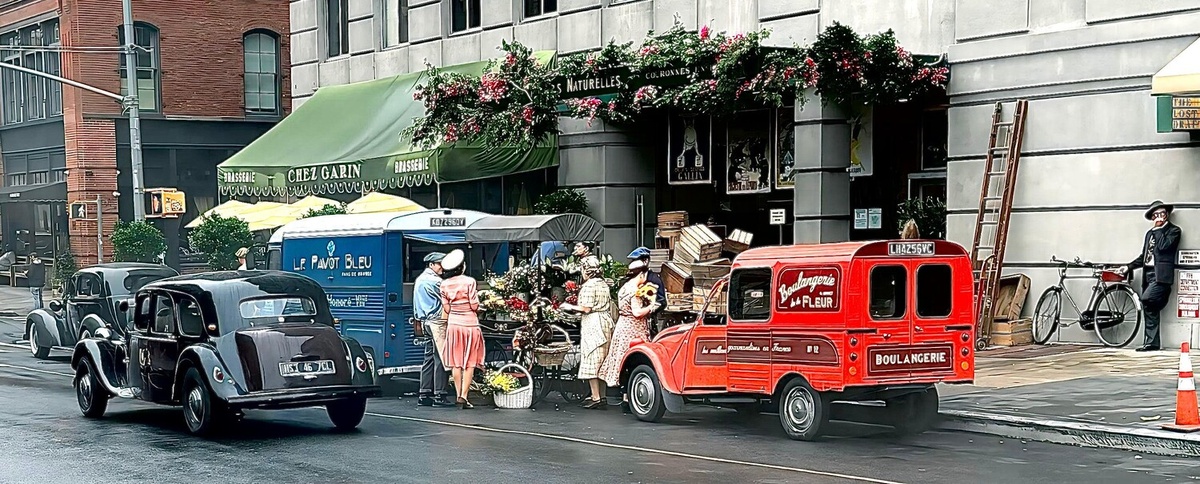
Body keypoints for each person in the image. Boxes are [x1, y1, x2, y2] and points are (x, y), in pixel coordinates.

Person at [597, 260, 660, 412]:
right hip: (633, 328)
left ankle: (625, 395)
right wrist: (651, 307)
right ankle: (627, 398)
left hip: (622, 325)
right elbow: (637, 312)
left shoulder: (624, 287)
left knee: (622, 361)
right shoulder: (635, 291)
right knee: (634, 360)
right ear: (642, 274)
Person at [559, 256, 614, 409]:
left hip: (593, 323)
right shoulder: (603, 284)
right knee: (602, 361)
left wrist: (569, 307)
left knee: (592, 359)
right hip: (605, 321)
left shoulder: (589, 285)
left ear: (586, 270)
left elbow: (586, 308)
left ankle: (595, 397)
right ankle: (602, 396)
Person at [1128, 200, 1182, 352]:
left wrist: (1158, 230)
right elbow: (1143, 256)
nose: (1159, 217)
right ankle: (1152, 343)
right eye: (1156, 215)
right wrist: (1128, 267)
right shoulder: (1149, 234)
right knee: (1149, 308)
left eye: (1162, 213)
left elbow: (1164, 246)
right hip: (1148, 275)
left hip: (1161, 277)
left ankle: (1152, 342)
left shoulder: (1174, 231)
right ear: (1152, 217)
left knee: (1146, 298)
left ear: (1167, 215)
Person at [438, 249, 484, 409]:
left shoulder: (444, 284)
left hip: (454, 326)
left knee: (456, 363)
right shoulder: (469, 282)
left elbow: (447, 308)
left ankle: (458, 395)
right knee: (470, 362)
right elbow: (474, 305)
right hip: (470, 325)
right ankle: (464, 396)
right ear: (462, 267)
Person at [415, 252, 453, 407]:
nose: (442, 267)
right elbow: (449, 298)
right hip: (437, 322)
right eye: (439, 264)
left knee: (428, 357)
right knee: (440, 357)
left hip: (425, 322)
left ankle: (424, 393)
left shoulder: (420, 279)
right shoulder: (436, 282)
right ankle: (440, 394)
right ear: (431, 265)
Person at [627, 247, 667, 331]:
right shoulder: (629, 279)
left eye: (637, 260)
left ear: (646, 261)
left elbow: (661, 301)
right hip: (629, 322)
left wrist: (650, 309)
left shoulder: (654, 279)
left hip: (648, 321)